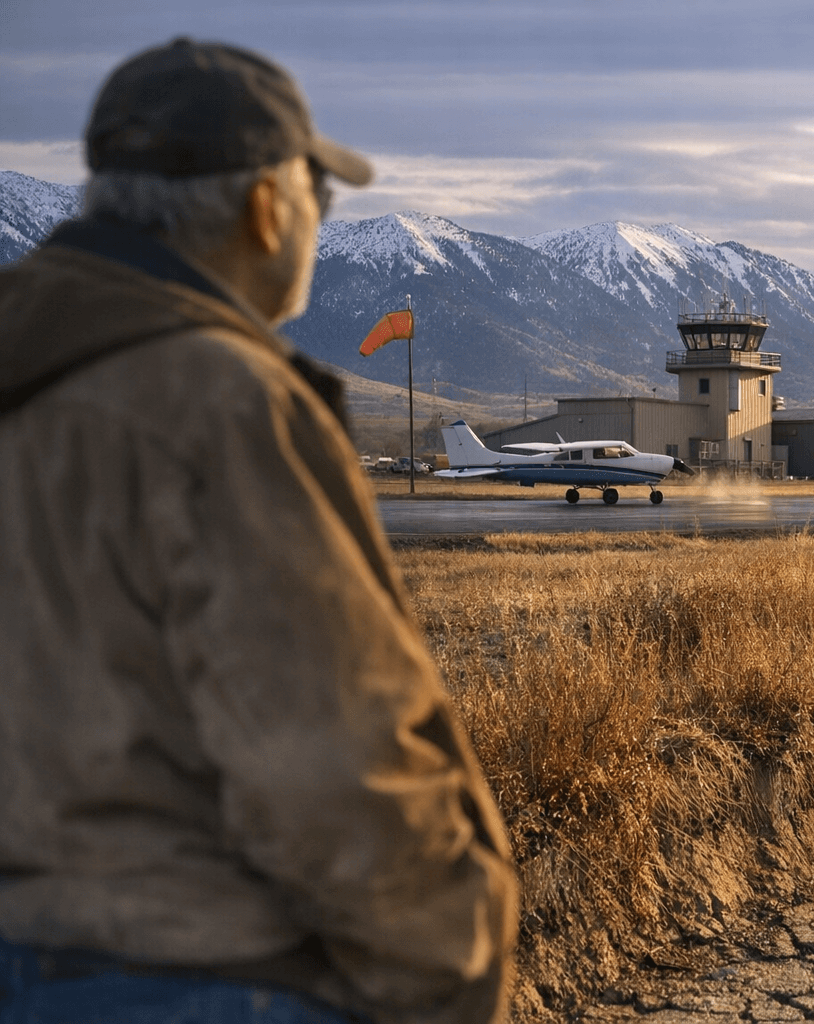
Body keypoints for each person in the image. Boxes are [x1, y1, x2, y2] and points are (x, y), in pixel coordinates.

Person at [0, 39, 518, 1024]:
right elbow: (330, 757)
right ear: (267, 209)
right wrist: (455, 964)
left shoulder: (35, 367)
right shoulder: (217, 401)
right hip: (193, 973)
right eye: (318, 195)